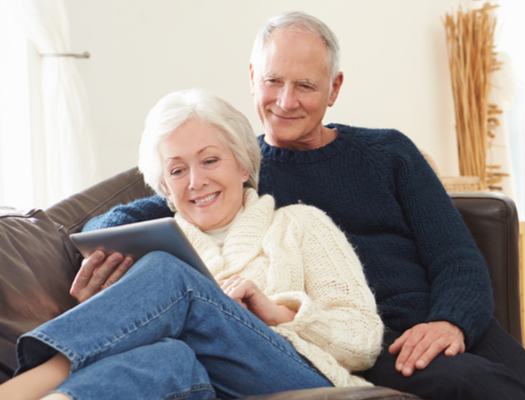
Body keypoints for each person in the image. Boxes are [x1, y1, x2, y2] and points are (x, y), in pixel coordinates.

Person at [74, 11, 525, 400]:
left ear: (335, 87)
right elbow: (149, 207)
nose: (285, 101)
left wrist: (450, 321)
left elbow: (457, 257)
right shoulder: (238, 168)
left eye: (305, 85)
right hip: (366, 339)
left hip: (436, 318)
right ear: (252, 78)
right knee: (474, 386)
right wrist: (105, 245)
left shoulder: (389, 152)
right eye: (273, 81)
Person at [0, 88, 383, 400]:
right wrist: (106, 306)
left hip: (295, 383)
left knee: (171, 272)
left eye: (210, 160)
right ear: (165, 187)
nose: (195, 181)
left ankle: (22, 388)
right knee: (168, 357)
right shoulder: (147, 249)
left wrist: (276, 313)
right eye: (178, 170)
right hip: (193, 385)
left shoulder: (302, 224)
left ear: (244, 164)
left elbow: (362, 340)